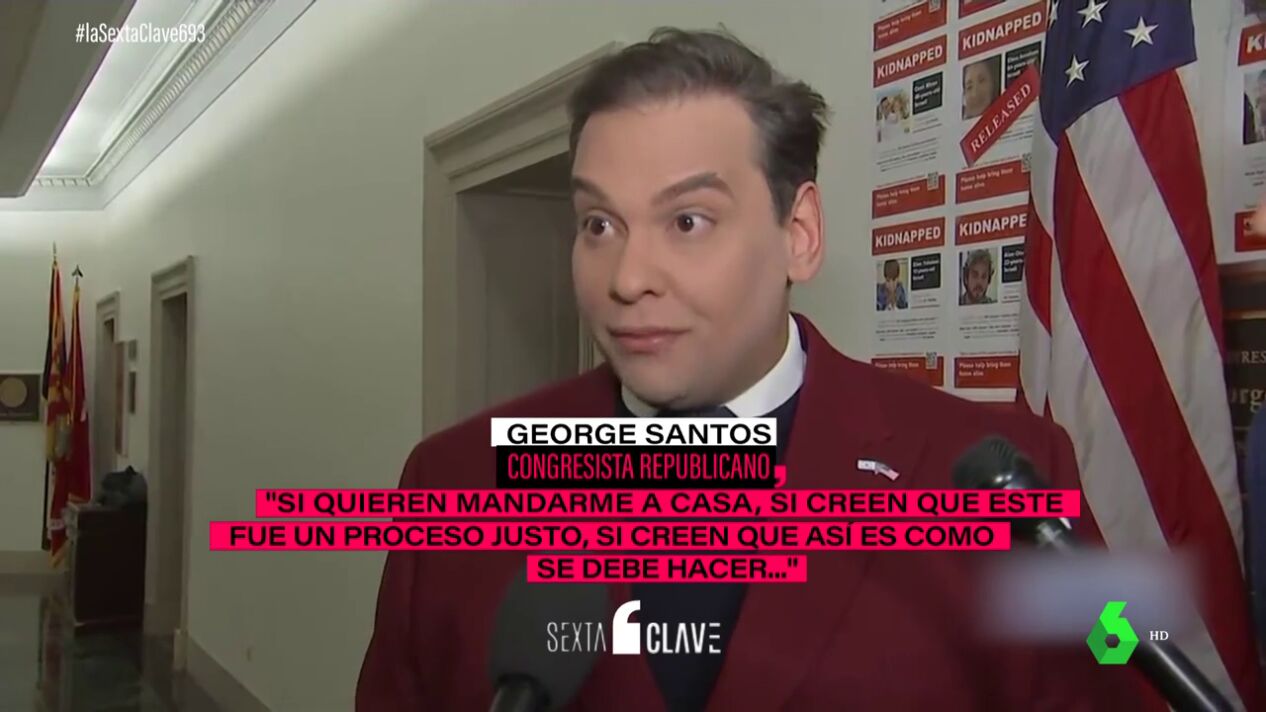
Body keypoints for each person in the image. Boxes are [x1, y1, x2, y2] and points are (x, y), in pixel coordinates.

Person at [357, 28, 1139, 711]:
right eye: (599, 224)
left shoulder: (1007, 483)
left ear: (799, 233)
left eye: (687, 221)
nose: (628, 278)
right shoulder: (451, 481)